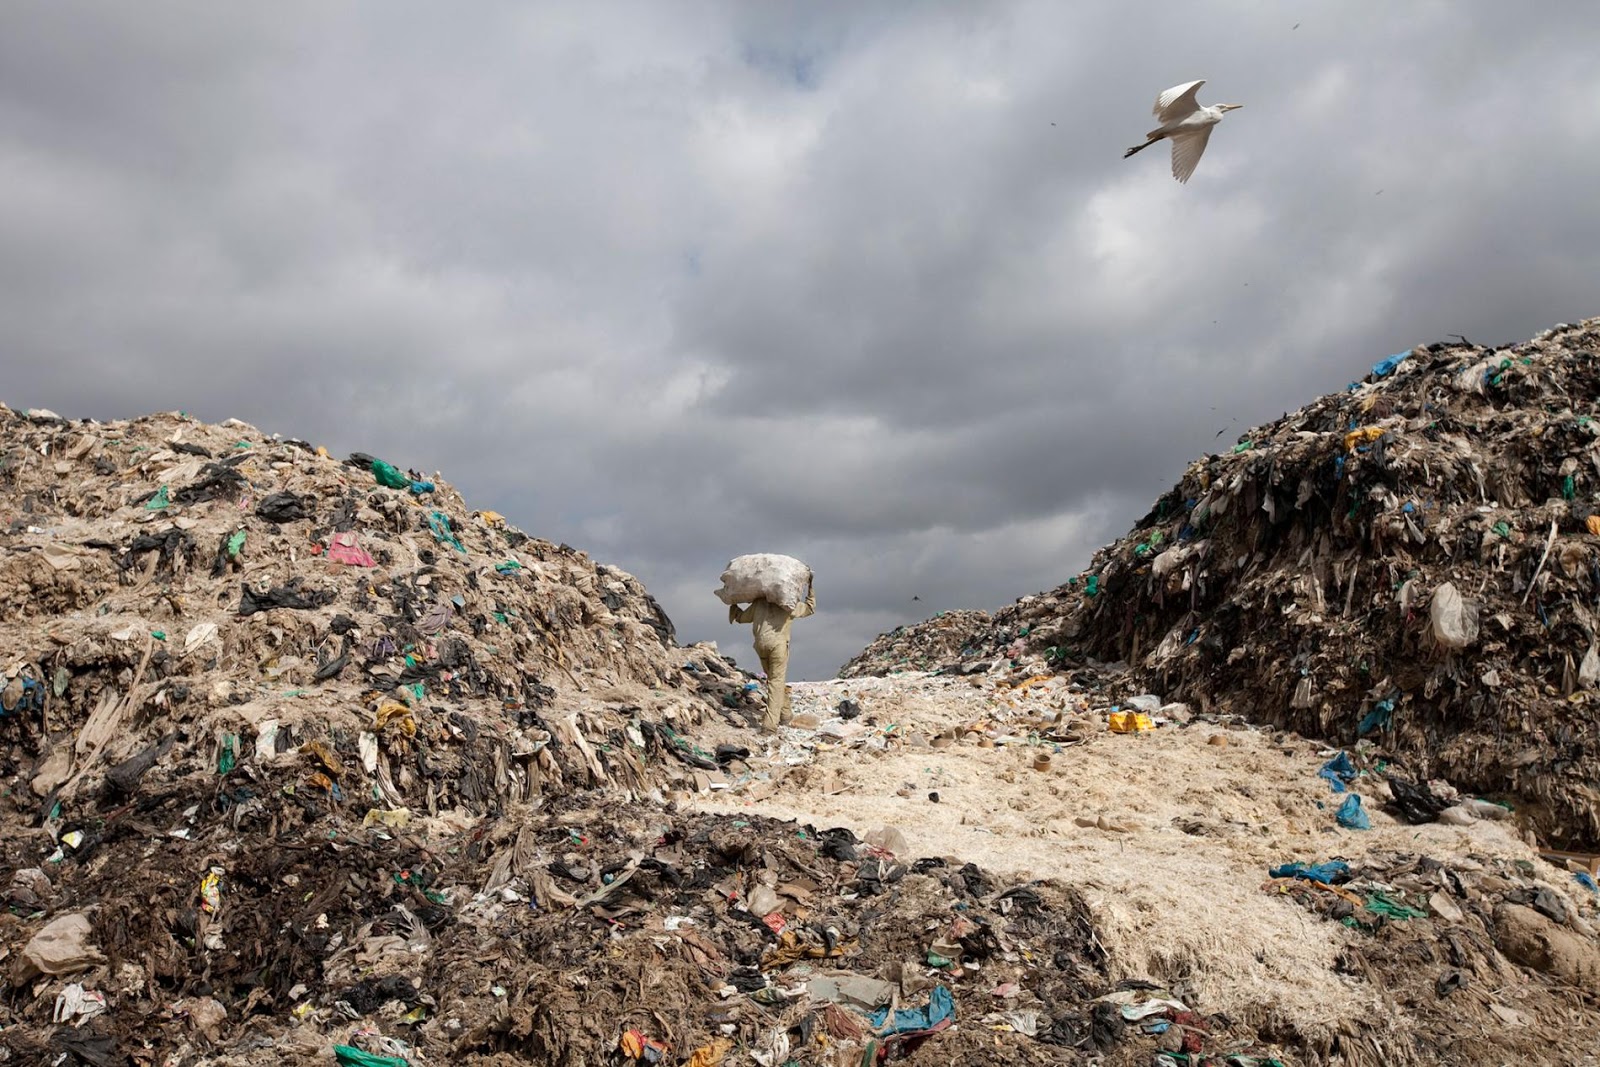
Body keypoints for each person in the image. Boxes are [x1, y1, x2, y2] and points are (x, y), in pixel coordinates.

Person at [729, 579, 815, 732]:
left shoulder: (759, 603)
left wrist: (733, 605)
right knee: (776, 682)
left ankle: (786, 714)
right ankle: (769, 726)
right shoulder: (788, 604)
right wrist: (811, 588)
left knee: (774, 680)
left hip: (761, 646)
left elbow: (741, 618)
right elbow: (809, 608)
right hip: (778, 646)